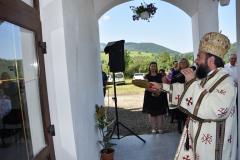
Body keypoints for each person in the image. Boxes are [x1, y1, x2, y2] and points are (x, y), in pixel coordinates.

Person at [149, 32, 237, 160]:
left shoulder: (226, 82)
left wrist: (191, 81)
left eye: (198, 56)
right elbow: (186, 91)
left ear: (211, 60)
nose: (195, 60)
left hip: (214, 148)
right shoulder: (207, 78)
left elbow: (218, 110)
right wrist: (160, 86)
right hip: (198, 139)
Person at [142, 62, 168, 134]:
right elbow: (146, 86)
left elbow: (164, 85)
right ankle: (153, 128)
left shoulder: (161, 75)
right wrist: (153, 91)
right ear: (149, 67)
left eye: (154, 66)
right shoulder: (146, 76)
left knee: (160, 113)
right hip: (150, 96)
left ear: (156, 67)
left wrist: (158, 92)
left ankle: (160, 128)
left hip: (160, 95)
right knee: (152, 113)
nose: (153, 67)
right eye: (152, 66)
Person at [171, 58, 189, 133]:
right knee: (179, 111)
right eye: (181, 62)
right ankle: (179, 127)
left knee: (186, 111)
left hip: (188, 93)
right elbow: (172, 81)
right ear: (179, 63)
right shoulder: (175, 72)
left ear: (187, 63)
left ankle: (186, 127)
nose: (182, 63)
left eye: (184, 62)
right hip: (178, 93)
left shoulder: (189, 71)